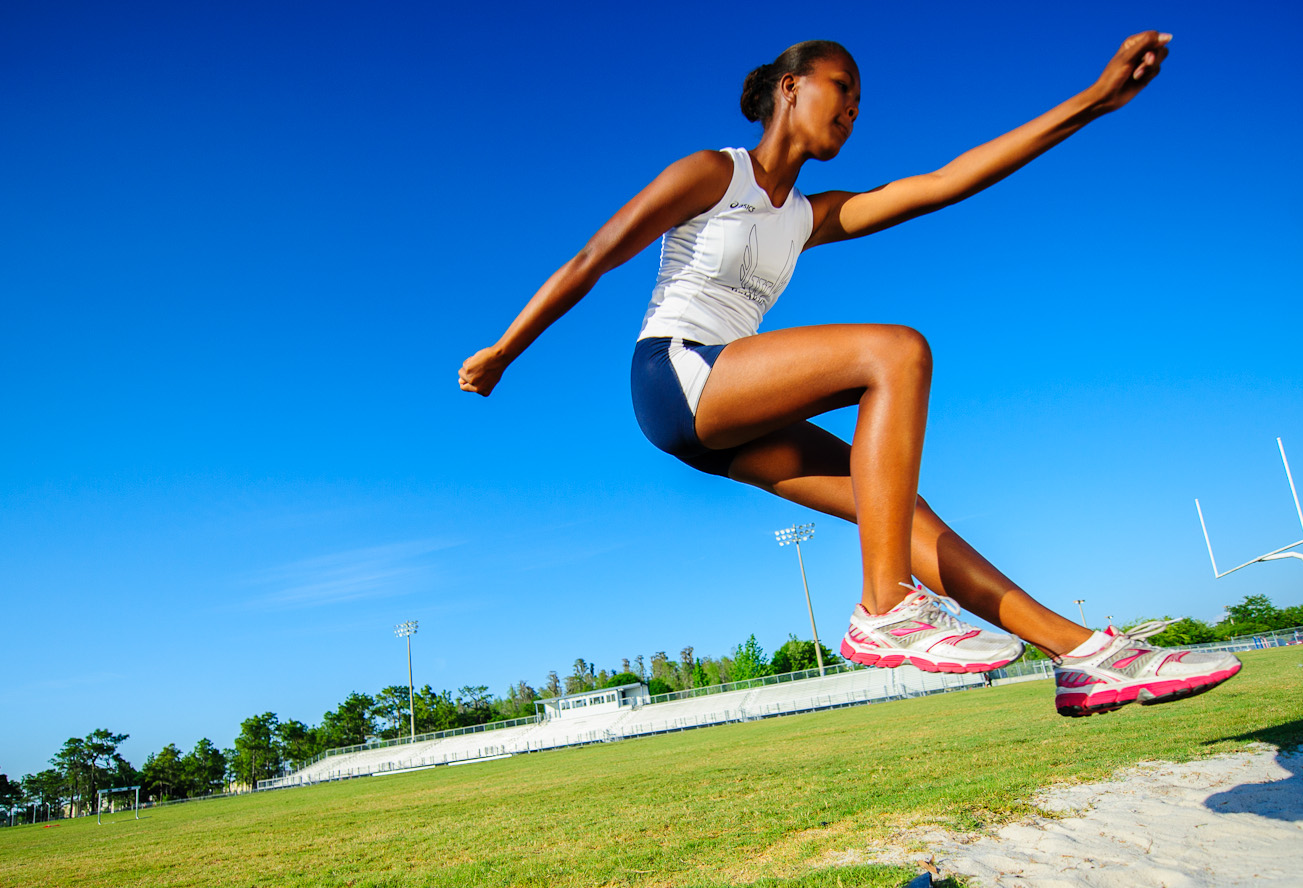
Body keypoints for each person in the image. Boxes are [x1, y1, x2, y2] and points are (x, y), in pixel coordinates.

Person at [459, 32, 1241, 717]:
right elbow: (598, 255)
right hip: (676, 373)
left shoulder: (810, 214)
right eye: (844, 89)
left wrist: (1092, 104)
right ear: (791, 87)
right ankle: (884, 605)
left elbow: (945, 182)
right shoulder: (713, 173)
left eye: (862, 101)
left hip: (732, 410)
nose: (855, 109)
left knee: (900, 515)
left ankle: (1084, 656)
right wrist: (504, 350)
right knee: (894, 352)